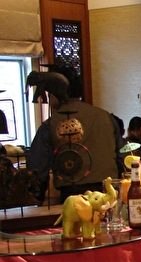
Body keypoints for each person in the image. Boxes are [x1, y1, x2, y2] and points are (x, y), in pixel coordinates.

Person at [28, 66, 120, 203]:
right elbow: (121, 156)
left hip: (73, 197)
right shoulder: (106, 117)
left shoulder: (50, 125)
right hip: (109, 192)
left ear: (55, 94)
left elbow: (37, 170)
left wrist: (36, 197)